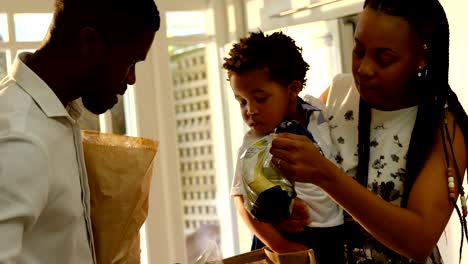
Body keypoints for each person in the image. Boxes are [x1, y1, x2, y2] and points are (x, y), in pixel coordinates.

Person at [269, 0, 468, 263]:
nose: (363, 69)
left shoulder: (443, 126)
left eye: (384, 59)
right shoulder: (338, 94)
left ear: (422, 58)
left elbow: (419, 240)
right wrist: (286, 211)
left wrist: (324, 175)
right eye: (358, 50)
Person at [0, 0, 160, 263]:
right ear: (89, 44)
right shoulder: (20, 136)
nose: (131, 79)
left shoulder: (59, 114)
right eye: (130, 61)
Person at [223, 31, 345, 264]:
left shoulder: (317, 112)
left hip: (333, 233)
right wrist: (281, 245)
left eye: (260, 98)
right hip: (287, 239)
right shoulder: (256, 143)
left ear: (292, 89)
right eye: (242, 101)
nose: (250, 110)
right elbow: (241, 201)